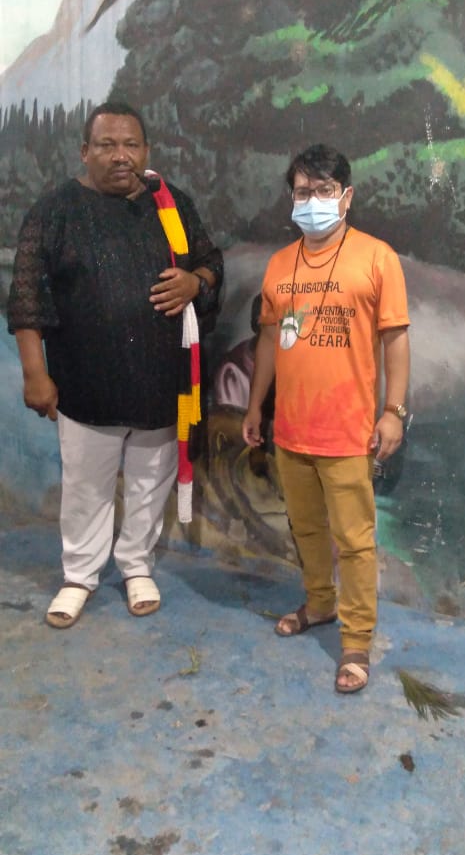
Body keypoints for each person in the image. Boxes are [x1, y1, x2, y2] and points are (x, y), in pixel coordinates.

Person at [7, 101, 223, 628]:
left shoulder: (172, 204)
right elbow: (27, 297)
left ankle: (136, 565)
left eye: (130, 145)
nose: (120, 155)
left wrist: (195, 283)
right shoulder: (55, 211)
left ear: (146, 151)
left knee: (151, 483)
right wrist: (35, 374)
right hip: (86, 385)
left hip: (162, 383)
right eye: (106, 145)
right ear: (85, 152)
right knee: (87, 488)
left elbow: (210, 262)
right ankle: (80, 575)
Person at [242, 144, 410, 694]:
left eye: (323, 190)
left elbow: (395, 340)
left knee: (355, 541)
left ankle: (356, 640)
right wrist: (255, 405)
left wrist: (393, 412)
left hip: (349, 432)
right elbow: (270, 339)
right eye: (302, 191)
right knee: (307, 527)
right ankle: (319, 604)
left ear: (346, 196)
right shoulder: (279, 264)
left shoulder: (377, 258)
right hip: (291, 430)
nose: (311, 200)